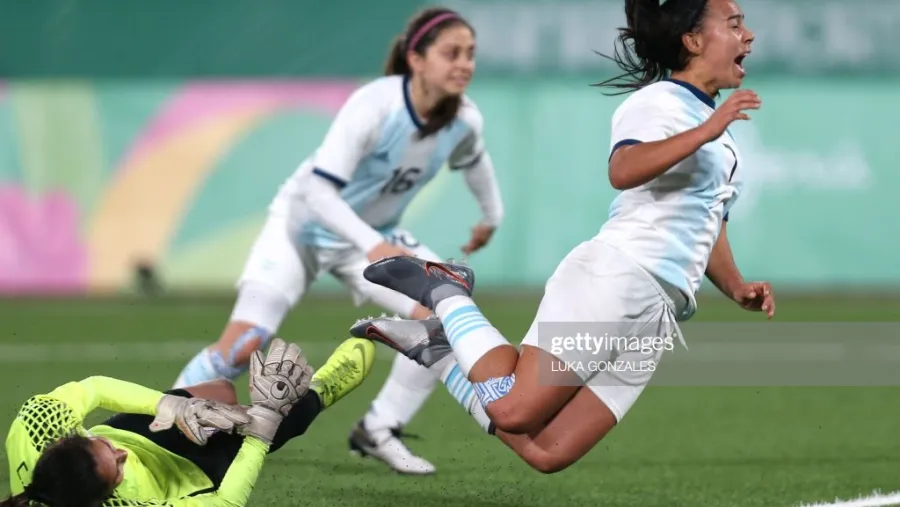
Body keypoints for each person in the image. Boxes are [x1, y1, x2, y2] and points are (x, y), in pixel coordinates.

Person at [351, 0, 776, 474]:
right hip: (618, 281)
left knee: (548, 451)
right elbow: (624, 168)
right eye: (735, 25)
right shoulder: (659, 101)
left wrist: (736, 286)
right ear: (693, 41)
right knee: (513, 411)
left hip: (660, 315)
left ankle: (439, 351)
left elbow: (709, 223)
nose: (748, 35)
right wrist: (707, 130)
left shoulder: (722, 138)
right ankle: (446, 292)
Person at [171, 6, 503, 476]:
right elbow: (318, 193)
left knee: (441, 319)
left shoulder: (464, 120)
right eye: (452, 53)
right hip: (301, 228)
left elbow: (476, 162)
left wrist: (491, 216)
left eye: (470, 53)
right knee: (243, 345)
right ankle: (161, 422)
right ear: (416, 58)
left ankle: (379, 428)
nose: (465, 64)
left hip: (373, 239)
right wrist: (373, 244)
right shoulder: (375, 105)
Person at [2, 337, 375, 506]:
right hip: (185, 474)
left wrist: (171, 406)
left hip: (135, 434)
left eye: (102, 447)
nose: (121, 455)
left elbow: (95, 388)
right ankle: (321, 391)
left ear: (62, 441)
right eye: (116, 470)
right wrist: (263, 425)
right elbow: (225, 503)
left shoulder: (34, 429)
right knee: (269, 422)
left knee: (220, 393)